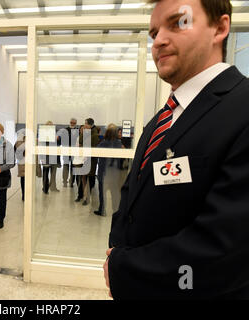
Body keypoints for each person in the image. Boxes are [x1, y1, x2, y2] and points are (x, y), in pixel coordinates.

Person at [104, 0, 249, 299]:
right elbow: (134, 192)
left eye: (178, 23)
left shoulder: (242, 108)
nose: (158, 41)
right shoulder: (161, 120)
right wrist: (116, 248)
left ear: (220, 28)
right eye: (154, 32)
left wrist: (123, 268)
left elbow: (226, 249)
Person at [94, 124, 124, 216]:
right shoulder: (119, 144)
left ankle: (102, 210)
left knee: (102, 192)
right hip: (114, 172)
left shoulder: (103, 143)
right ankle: (115, 210)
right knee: (114, 192)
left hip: (103, 171)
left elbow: (96, 152)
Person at [79, 118, 99, 206]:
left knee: (88, 179)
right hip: (85, 159)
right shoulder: (88, 132)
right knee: (84, 178)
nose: (84, 125)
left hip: (90, 160)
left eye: (85, 124)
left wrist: (84, 134)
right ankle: (84, 196)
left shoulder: (94, 134)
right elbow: (80, 143)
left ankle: (87, 197)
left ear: (90, 125)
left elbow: (91, 146)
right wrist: (82, 133)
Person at [39, 121, 61, 194]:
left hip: (54, 156)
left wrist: (58, 139)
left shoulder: (56, 134)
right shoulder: (42, 135)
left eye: (51, 126)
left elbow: (59, 144)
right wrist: (41, 157)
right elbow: (41, 146)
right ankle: (45, 188)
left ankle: (53, 187)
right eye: (48, 126)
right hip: (46, 157)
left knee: (53, 173)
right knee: (45, 173)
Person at [59, 118, 79, 188]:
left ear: (76, 123)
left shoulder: (78, 131)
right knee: (66, 166)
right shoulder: (65, 130)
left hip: (74, 151)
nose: (72, 124)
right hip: (66, 151)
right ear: (70, 122)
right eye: (71, 122)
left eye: (74, 123)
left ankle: (71, 181)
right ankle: (64, 181)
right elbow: (62, 140)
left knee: (73, 167)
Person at [14, 130, 26, 201]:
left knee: (24, 179)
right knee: (24, 179)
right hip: (23, 163)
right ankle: (24, 195)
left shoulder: (19, 141)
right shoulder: (19, 141)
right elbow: (16, 151)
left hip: (24, 162)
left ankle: (24, 195)